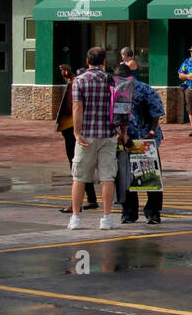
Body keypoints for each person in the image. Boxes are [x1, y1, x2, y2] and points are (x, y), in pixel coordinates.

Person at [69, 46, 118, 229]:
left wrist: (76, 132)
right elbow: (119, 106)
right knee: (107, 177)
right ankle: (106, 217)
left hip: (87, 135)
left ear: (87, 61)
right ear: (104, 61)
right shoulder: (111, 80)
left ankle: (75, 217)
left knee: (79, 176)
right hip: (108, 134)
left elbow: (77, 107)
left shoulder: (79, 81)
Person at [114, 63, 164, 224]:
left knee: (149, 176)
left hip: (144, 138)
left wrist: (150, 132)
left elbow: (156, 110)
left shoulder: (143, 89)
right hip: (125, 140)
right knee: (124, 177)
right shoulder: (115, 91)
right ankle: (129, 212)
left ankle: (153, 213)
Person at [56, 64, 98, 211]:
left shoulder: (78, 88)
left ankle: (77, 204)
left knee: (78, 167)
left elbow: (76, 108)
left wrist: (71, 76)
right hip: (70, 131)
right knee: (81, 166)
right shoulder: (75, 85)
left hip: (76, 132)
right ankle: (91, 199)